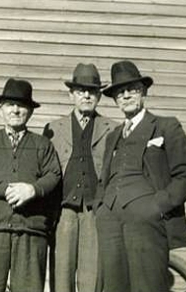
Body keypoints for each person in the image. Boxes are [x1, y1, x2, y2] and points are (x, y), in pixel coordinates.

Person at [94, 60, 186, 292]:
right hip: (109, 222)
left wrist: (157, 206)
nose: (126, 95)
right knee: (112, 287)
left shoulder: (166, 127)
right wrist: (100, 209)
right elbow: (105, 179)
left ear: (143, 92)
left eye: (132, 89)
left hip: (147, 223)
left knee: (147, 286)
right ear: (115, 99)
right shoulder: (114, 136)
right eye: (120, 92)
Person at [0, 78, 61, 292]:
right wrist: (6, 189)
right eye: (10, 105)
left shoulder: (43, 145)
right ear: (1, 110)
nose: (16, 110)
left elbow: (53, 174)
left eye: (22, 106)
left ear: (30, 111)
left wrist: (32, 189)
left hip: (30, 231)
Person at [43, 63, 117, 292]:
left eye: (92, 91)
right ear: (71, 95)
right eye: (81, 91)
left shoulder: (113, 128)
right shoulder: (53, 129)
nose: (86, 95)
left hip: (95, 212)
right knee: (61, 276)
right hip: (63, 211)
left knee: (91, 277)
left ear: (99, 96)